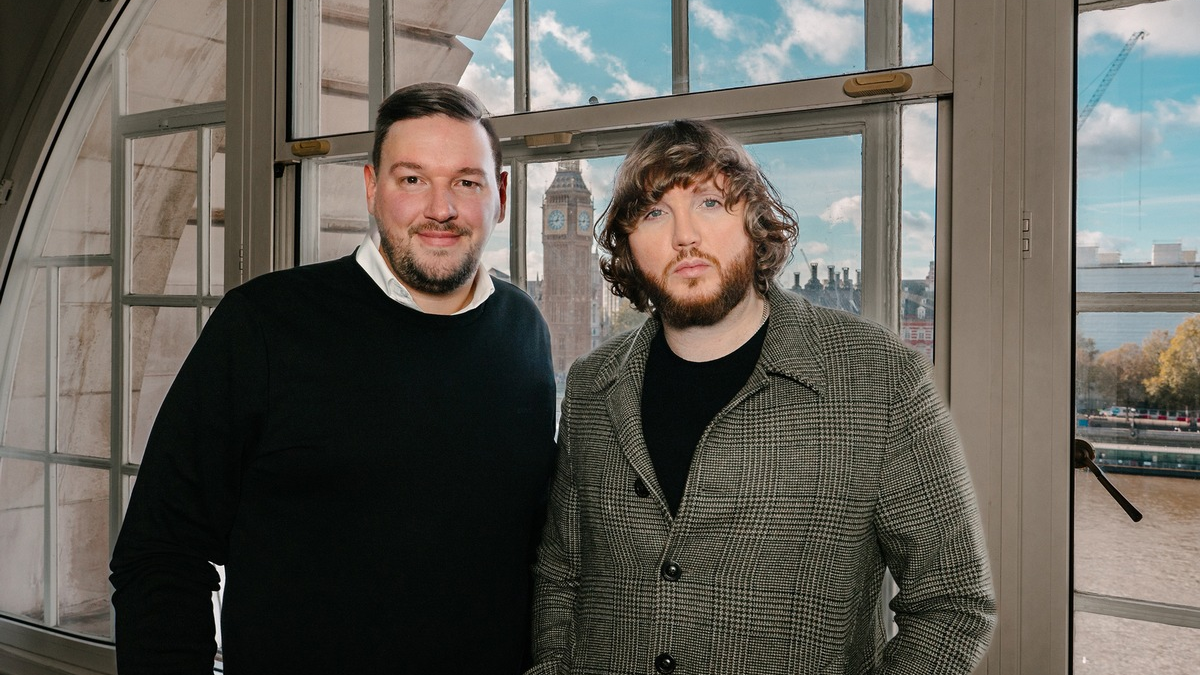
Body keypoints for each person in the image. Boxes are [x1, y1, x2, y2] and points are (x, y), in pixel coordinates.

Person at [110, 82, 557, 674]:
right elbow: (160, 553)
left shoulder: (524, 329)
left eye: (466, 181)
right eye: (412, 179)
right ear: (373, 189)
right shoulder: (264, 325)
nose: (440, 209)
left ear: (498, 194)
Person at [528, 119, 995, 674]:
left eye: (709, 203)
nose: (685, 237)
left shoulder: (881, 376)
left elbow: (953, 601)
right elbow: (562, 573)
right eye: (655, 212)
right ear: (628, 245)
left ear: (754, 221)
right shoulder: (591, 386)